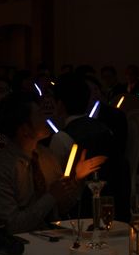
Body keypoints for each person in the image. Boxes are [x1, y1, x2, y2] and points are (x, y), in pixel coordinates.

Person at [0, 92, 106, 237]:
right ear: (25, 130)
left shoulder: (46, 156)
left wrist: (76, 179)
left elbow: (62, 207)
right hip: (17, 246)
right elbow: (11, 226)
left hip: (53, 239)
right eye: (39, 114)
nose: (46, 118)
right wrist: (51, 196)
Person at [50, 74, 130, 221]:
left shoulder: (62, 138)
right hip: (115, 209)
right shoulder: (106, 130)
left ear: (59, 105)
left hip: (78, 216)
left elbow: (58, 190)